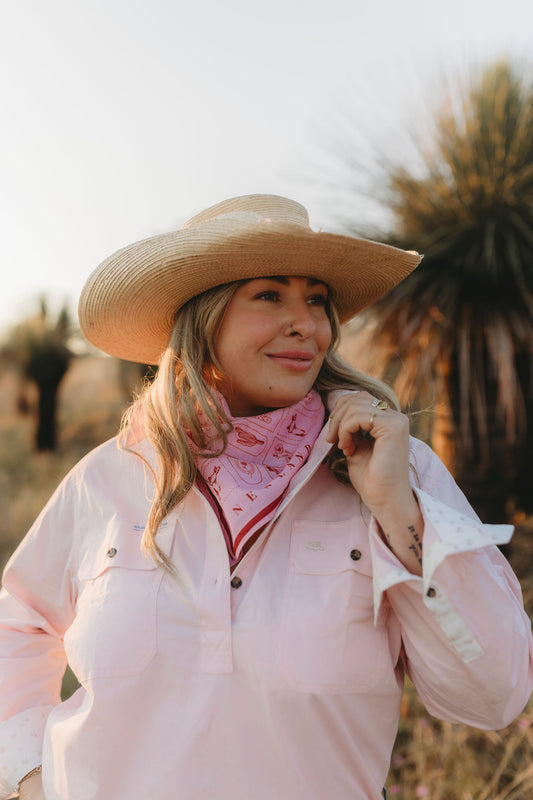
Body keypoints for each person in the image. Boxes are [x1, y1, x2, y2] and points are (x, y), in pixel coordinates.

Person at [1, 194, 532, 800]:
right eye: (269, 295)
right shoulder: (110, 475)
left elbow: (495, 695)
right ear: (203, 317)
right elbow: (18, 622)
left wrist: (397, 511)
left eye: (316, 300)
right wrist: (26, 771)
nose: (306, 322)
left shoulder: (393, 467)